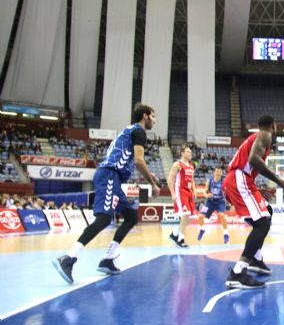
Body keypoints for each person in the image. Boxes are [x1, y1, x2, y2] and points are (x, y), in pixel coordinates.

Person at [53, 104, 161, 283]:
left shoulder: (130, 131)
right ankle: (68, 258)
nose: (155, 120)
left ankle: (107, 259)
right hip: (109, 175)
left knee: (131, 216)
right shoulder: (140, 132)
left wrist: (151, 174)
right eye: (153, 116)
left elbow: (131, 160)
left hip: (114, 177)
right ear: (145, 116)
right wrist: (153, 184)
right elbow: (139, 160)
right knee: (104, 218)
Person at [223, 115, 284, 289]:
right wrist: (278, 180)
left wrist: (256, 189)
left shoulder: (256, 137)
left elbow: (249, 163)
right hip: (239, 179)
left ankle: (256, 258)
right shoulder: (265, 135)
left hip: (241, 180)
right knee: (262, 225)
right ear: (273, 126)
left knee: (267, 212)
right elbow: (253, 159)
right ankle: (238, 273)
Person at [168, 146, 196, 248]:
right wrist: (172, 193)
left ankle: (175, 234)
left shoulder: (192, 165)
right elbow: (170, 178)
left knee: (191, 216)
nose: (190, 153)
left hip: (189, 192)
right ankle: (180, 238)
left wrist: (194, 189)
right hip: (180, 191)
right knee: (185, 214)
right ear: (182, 153)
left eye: (190, 152)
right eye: (188, 152)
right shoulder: (178, 164)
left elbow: (192, 179)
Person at [197, 167, 229, 244]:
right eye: (217, 171)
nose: (218, 173)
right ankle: (202, 229)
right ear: (214, 172)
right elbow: (204, 192)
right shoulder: (209, 181)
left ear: (221, 173)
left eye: (220, 172)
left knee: (221, 215)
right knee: (200, 217)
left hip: (220, 202)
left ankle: (226, 234)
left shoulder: (224, 181)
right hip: (210, 202)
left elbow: (228, 191)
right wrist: (207, 195)